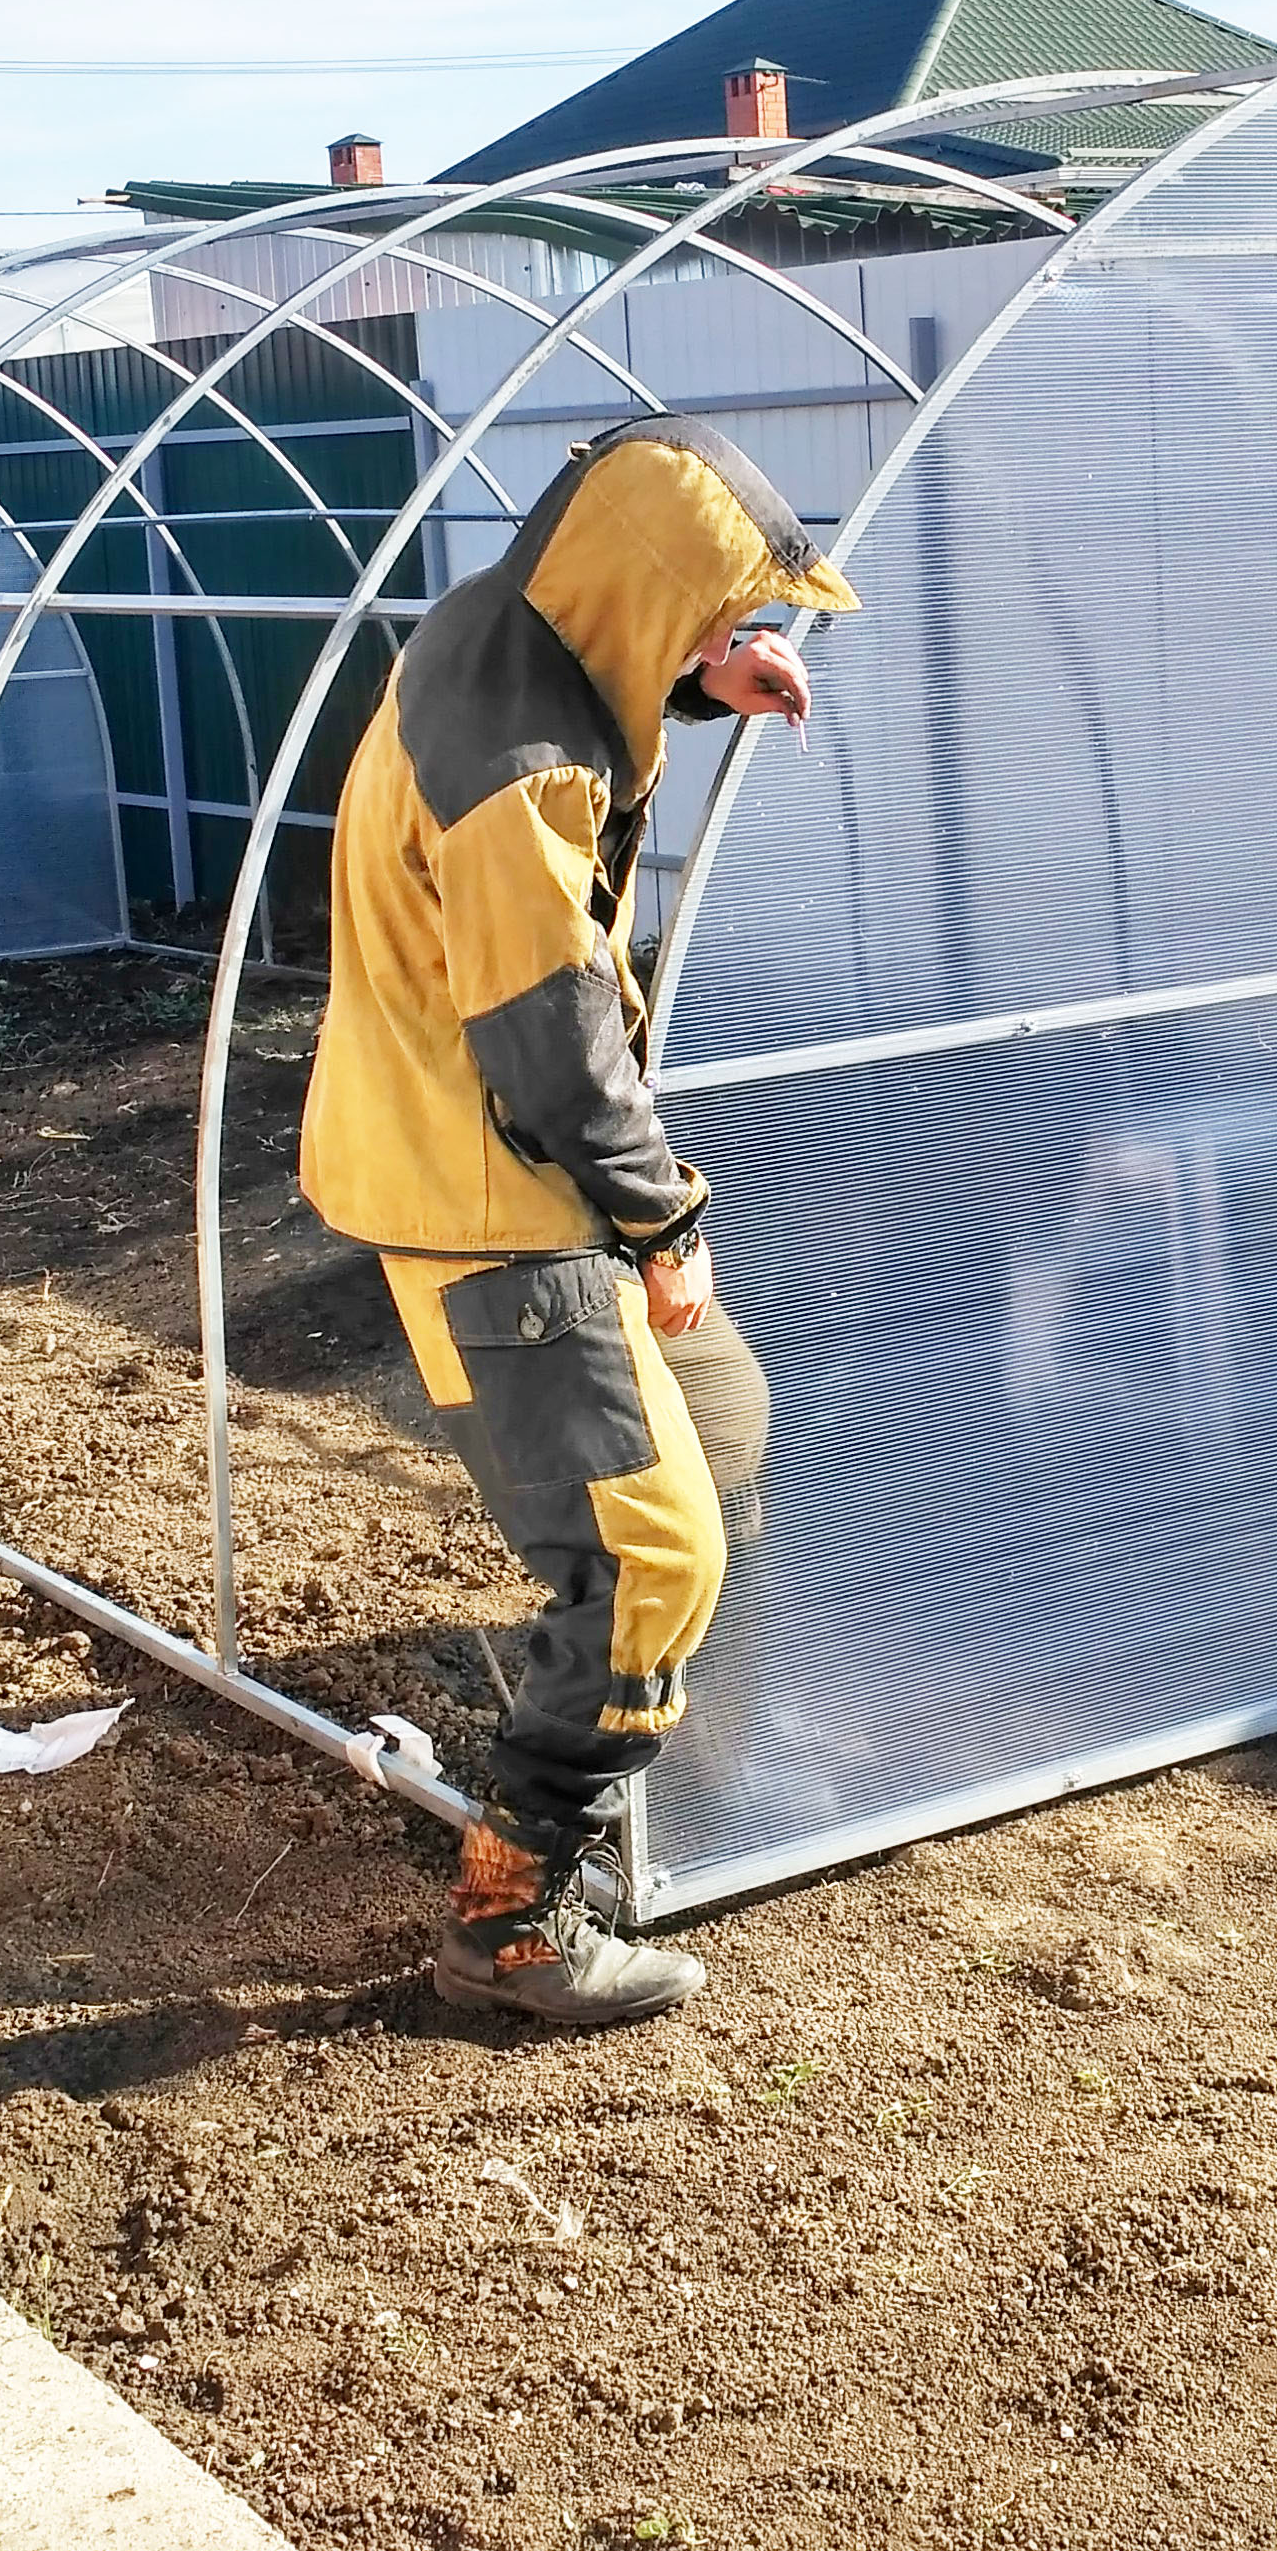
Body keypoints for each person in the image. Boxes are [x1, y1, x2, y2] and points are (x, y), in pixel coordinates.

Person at [296, 414, 851, 2028]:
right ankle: (518, 1916)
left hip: (522, 1167)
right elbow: (547, 1034)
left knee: (723, 1428)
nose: (735, 640)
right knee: (644, 1554)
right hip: (493, 1198)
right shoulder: (528, 768)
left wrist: (696, 679)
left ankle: (705, 1771)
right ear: (646, 583)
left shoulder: (510, 634)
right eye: (720, 613)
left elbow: (612, 684)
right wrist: (664, 1218)